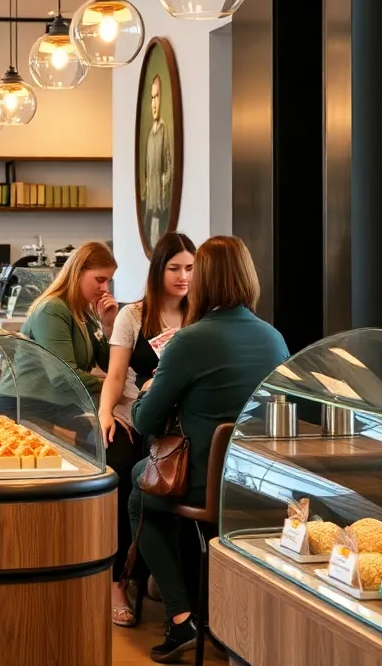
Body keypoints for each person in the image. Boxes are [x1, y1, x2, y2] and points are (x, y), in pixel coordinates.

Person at [128, 235, 289, 662]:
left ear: (204, 281)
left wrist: (147, 389)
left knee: (140, 493)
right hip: (261, 483)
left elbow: (145, 421)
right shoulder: (274, 339)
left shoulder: (189, 340)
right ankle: (215, 613)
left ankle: (182, 617)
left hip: (204, 483)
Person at [100, 232, 196, 627]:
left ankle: (162, 572)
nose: (183, 277)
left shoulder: (201, 314)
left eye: (190, 268)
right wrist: (105, 412)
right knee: (122, 473)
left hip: (182, 423)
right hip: (136, 413)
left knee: (181, 481)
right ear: (158, 270)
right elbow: (115, 375)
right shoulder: (133, 315)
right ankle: (118, 581)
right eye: (174, 268)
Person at [0, 242, 119, 424]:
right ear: (78, 272)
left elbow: (108, 365)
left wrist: (108, 327)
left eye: (108, 281)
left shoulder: (84, 310)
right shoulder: (53, 308)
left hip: (52, 406)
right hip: (23, 408)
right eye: (99, 280)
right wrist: (112, 386)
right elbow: (63, 377)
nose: (105, 289)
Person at [144, 74, 174, 243]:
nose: (154, 103)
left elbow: (168, 165)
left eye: (156, 97)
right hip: (150, 205)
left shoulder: (163, 131)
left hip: (160, 206)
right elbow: (148, 170)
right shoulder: (150, 135)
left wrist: (163, 189)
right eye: (152, 98)